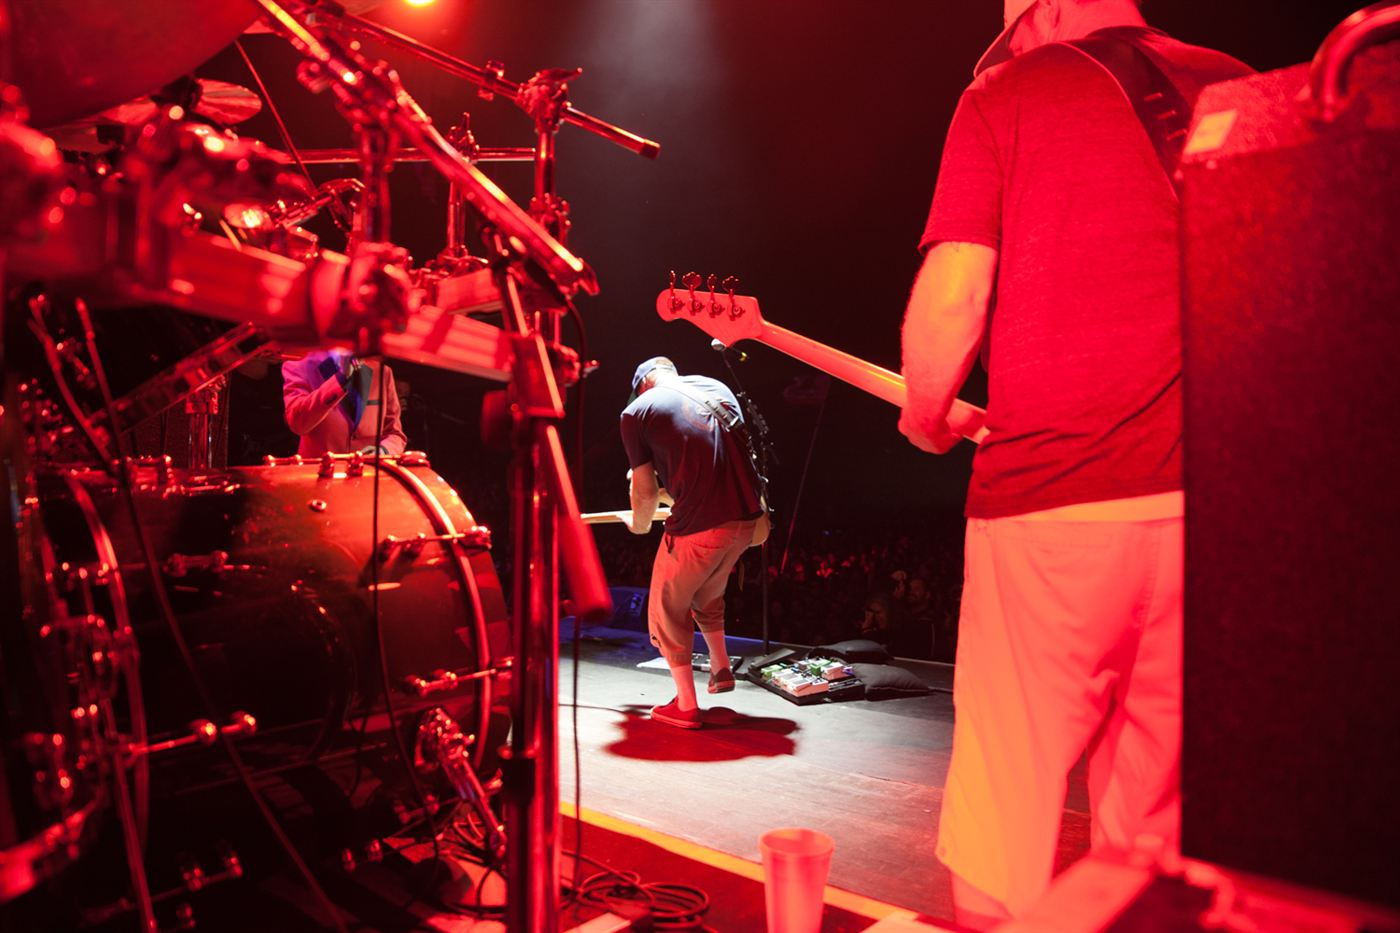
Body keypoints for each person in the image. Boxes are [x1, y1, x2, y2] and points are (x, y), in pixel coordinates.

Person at [897, 0, 1250, 925]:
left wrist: (926, 414)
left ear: (1042, 11)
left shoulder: (1005, 91)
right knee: (1150, 844)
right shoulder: (1236, 82)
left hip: (1049, 511)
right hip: (1212, 517)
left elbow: (957, 294)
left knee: (1001, 831)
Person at [620, 357, 764, 728]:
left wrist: (638, 524)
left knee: (666, 609)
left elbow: (645, 492)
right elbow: (712, 466)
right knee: (706, 595)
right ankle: (720, 669)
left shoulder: (636, 411)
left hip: (700, 529)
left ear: (644, 385)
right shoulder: (716, 388)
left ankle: (685, 707)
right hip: (745, 524)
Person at [282, 348, 407, 457]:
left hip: (365, 476)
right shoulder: (299, 366)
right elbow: (297, 423)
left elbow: (395, 434)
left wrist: (383, 451)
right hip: (318, 474)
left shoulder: (382, 373)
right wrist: (340, 380)